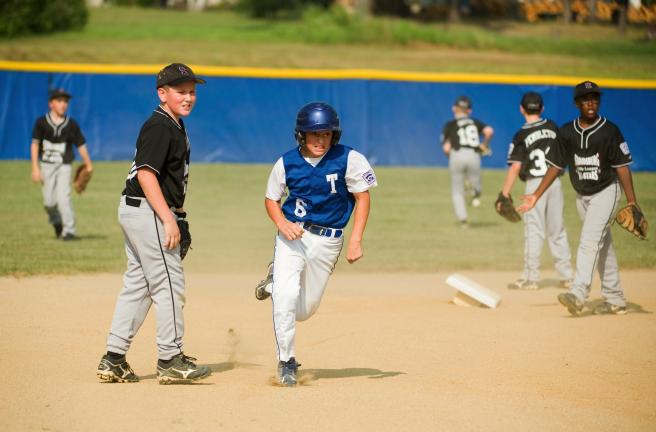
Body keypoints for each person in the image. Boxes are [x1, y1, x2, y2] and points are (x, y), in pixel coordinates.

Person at [97, 63, 211, 384]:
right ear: (162, 93)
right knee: (169, 285)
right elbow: (147, 175)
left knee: (139, 285)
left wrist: (180, 215)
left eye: (192, 91)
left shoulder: (172, 124)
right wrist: (168, 219)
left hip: (139, 209)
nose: (188, 97)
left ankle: (113, 358)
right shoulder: (161, 126)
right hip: (148, 211)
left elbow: (170, 179)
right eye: (181, 91)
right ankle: (170, 359)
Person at [255, 101, 377, 386]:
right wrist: (281, 224)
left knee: (303, 311)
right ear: (301, 135)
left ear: (334, 135)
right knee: (285, 299)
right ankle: (287, 361)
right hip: (292, 236)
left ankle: (272, 283)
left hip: (329, 241)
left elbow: (363, 197)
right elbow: (271, 199)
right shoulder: (286, 162)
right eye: (313, 134)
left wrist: (356, 240)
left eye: (325, 134)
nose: (320, 140)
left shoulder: (350, 159)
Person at [518, 81, 639, 316]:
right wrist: (535, 195)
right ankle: (615, 299)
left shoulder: (609, 131)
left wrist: (632, 201)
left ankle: (578, 292)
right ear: (577, 103)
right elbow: (555, 166)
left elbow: (622, 167)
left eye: (595, 98)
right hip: (582, 195)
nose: (591, 102)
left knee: (589, 241)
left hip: (607, 190)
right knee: (603, 247)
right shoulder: (566, 132)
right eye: (586, 99)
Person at [500, 92, 573, 290]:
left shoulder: (521, 135)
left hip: (534, 186)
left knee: (534, 230)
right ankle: (566, 276)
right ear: (541, 109)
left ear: (521, 109)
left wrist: (504, 193)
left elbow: (515, 166)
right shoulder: (551, 126)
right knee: (557, 230)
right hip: (554, 182)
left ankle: (531, 278)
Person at [30, 88, 93, 240]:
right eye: (59, 101)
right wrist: (35, 168)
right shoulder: (41, 122)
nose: (63, 104)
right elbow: (35, 144)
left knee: (63, 198)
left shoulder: (71, 124)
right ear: (51, 104)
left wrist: (88, 164)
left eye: (65, 101)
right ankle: (57, 222)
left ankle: (69, 231)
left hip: (64, 165)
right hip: (46, 165)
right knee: (49, 202)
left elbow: (80, 144)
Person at [441, 96, 494, 228]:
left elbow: (446, 148)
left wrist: (452, 158)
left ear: (454, 108)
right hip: (473, 154)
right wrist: (484, 145)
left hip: (457, 154)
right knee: (476, 183)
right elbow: (489, 131)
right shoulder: (474, 122)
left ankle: (463, 220)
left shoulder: (450, 125)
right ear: (469, 111)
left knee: (457, 190)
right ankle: (475, 192)